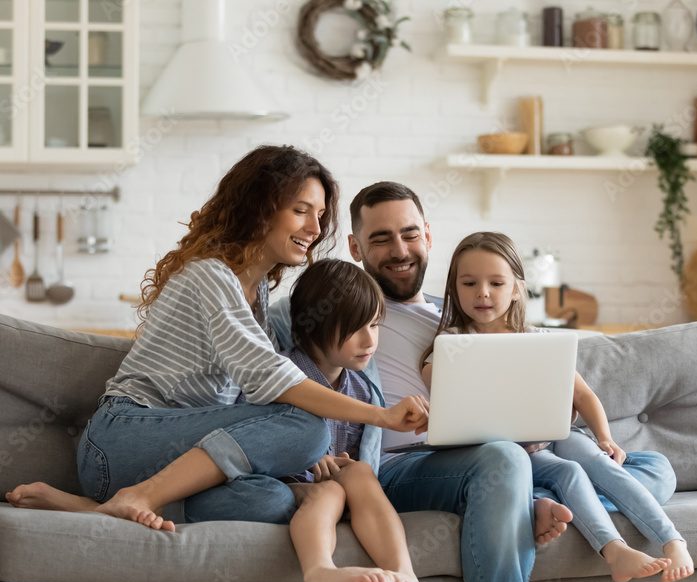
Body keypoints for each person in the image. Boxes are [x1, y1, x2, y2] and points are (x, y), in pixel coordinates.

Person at [321, 181, 678, 582]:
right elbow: (296, 376)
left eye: (409, 234)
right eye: (381, 239)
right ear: (356, 247)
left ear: (427, 235)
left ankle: (527, 499)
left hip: (496, 456)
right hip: (405, 465)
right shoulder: (343, 312)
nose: (400, 250)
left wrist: (553, 415)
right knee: (507, 457)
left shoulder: (453, 315)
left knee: (655, 467)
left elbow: (544, 386)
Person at [5, 147, 428, 536]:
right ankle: (139, 496)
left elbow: (256, 401)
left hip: (180, 456)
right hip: (122, 442)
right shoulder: (211, 276)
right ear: (260, 210)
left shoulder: (257, 293)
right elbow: (274, 382)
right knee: (308, 427)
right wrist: (382, 416)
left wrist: (295, 452)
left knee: (273, 500)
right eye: (301, 210)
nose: (315, 229)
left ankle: (92, 509)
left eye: (319, 215)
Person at [419, 231, 694, 582]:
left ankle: (673, 540)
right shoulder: (451, 345)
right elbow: (437, 385)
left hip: (555, 435)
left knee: (598, 461)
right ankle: (614, 550)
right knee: (570, 473)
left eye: (496, 283)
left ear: (516, 287)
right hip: (511, 453)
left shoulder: (538, 339)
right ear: (454, 289)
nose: (482, 293)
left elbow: (585, 397)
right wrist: (440, 367)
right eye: (469, 283)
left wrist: (605, 438)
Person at [276, 258, 423, 582]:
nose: (370, 339)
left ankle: (405, 576)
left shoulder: (361, 389)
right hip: (290, 483)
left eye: (374, 325)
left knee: (358, 476)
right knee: (331, 493)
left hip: (340, 483)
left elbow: (359, 455)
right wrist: (309, 459)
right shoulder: (282, 375)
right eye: (355, 328)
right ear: (314, 328)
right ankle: (321, 573)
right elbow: (257, 438)